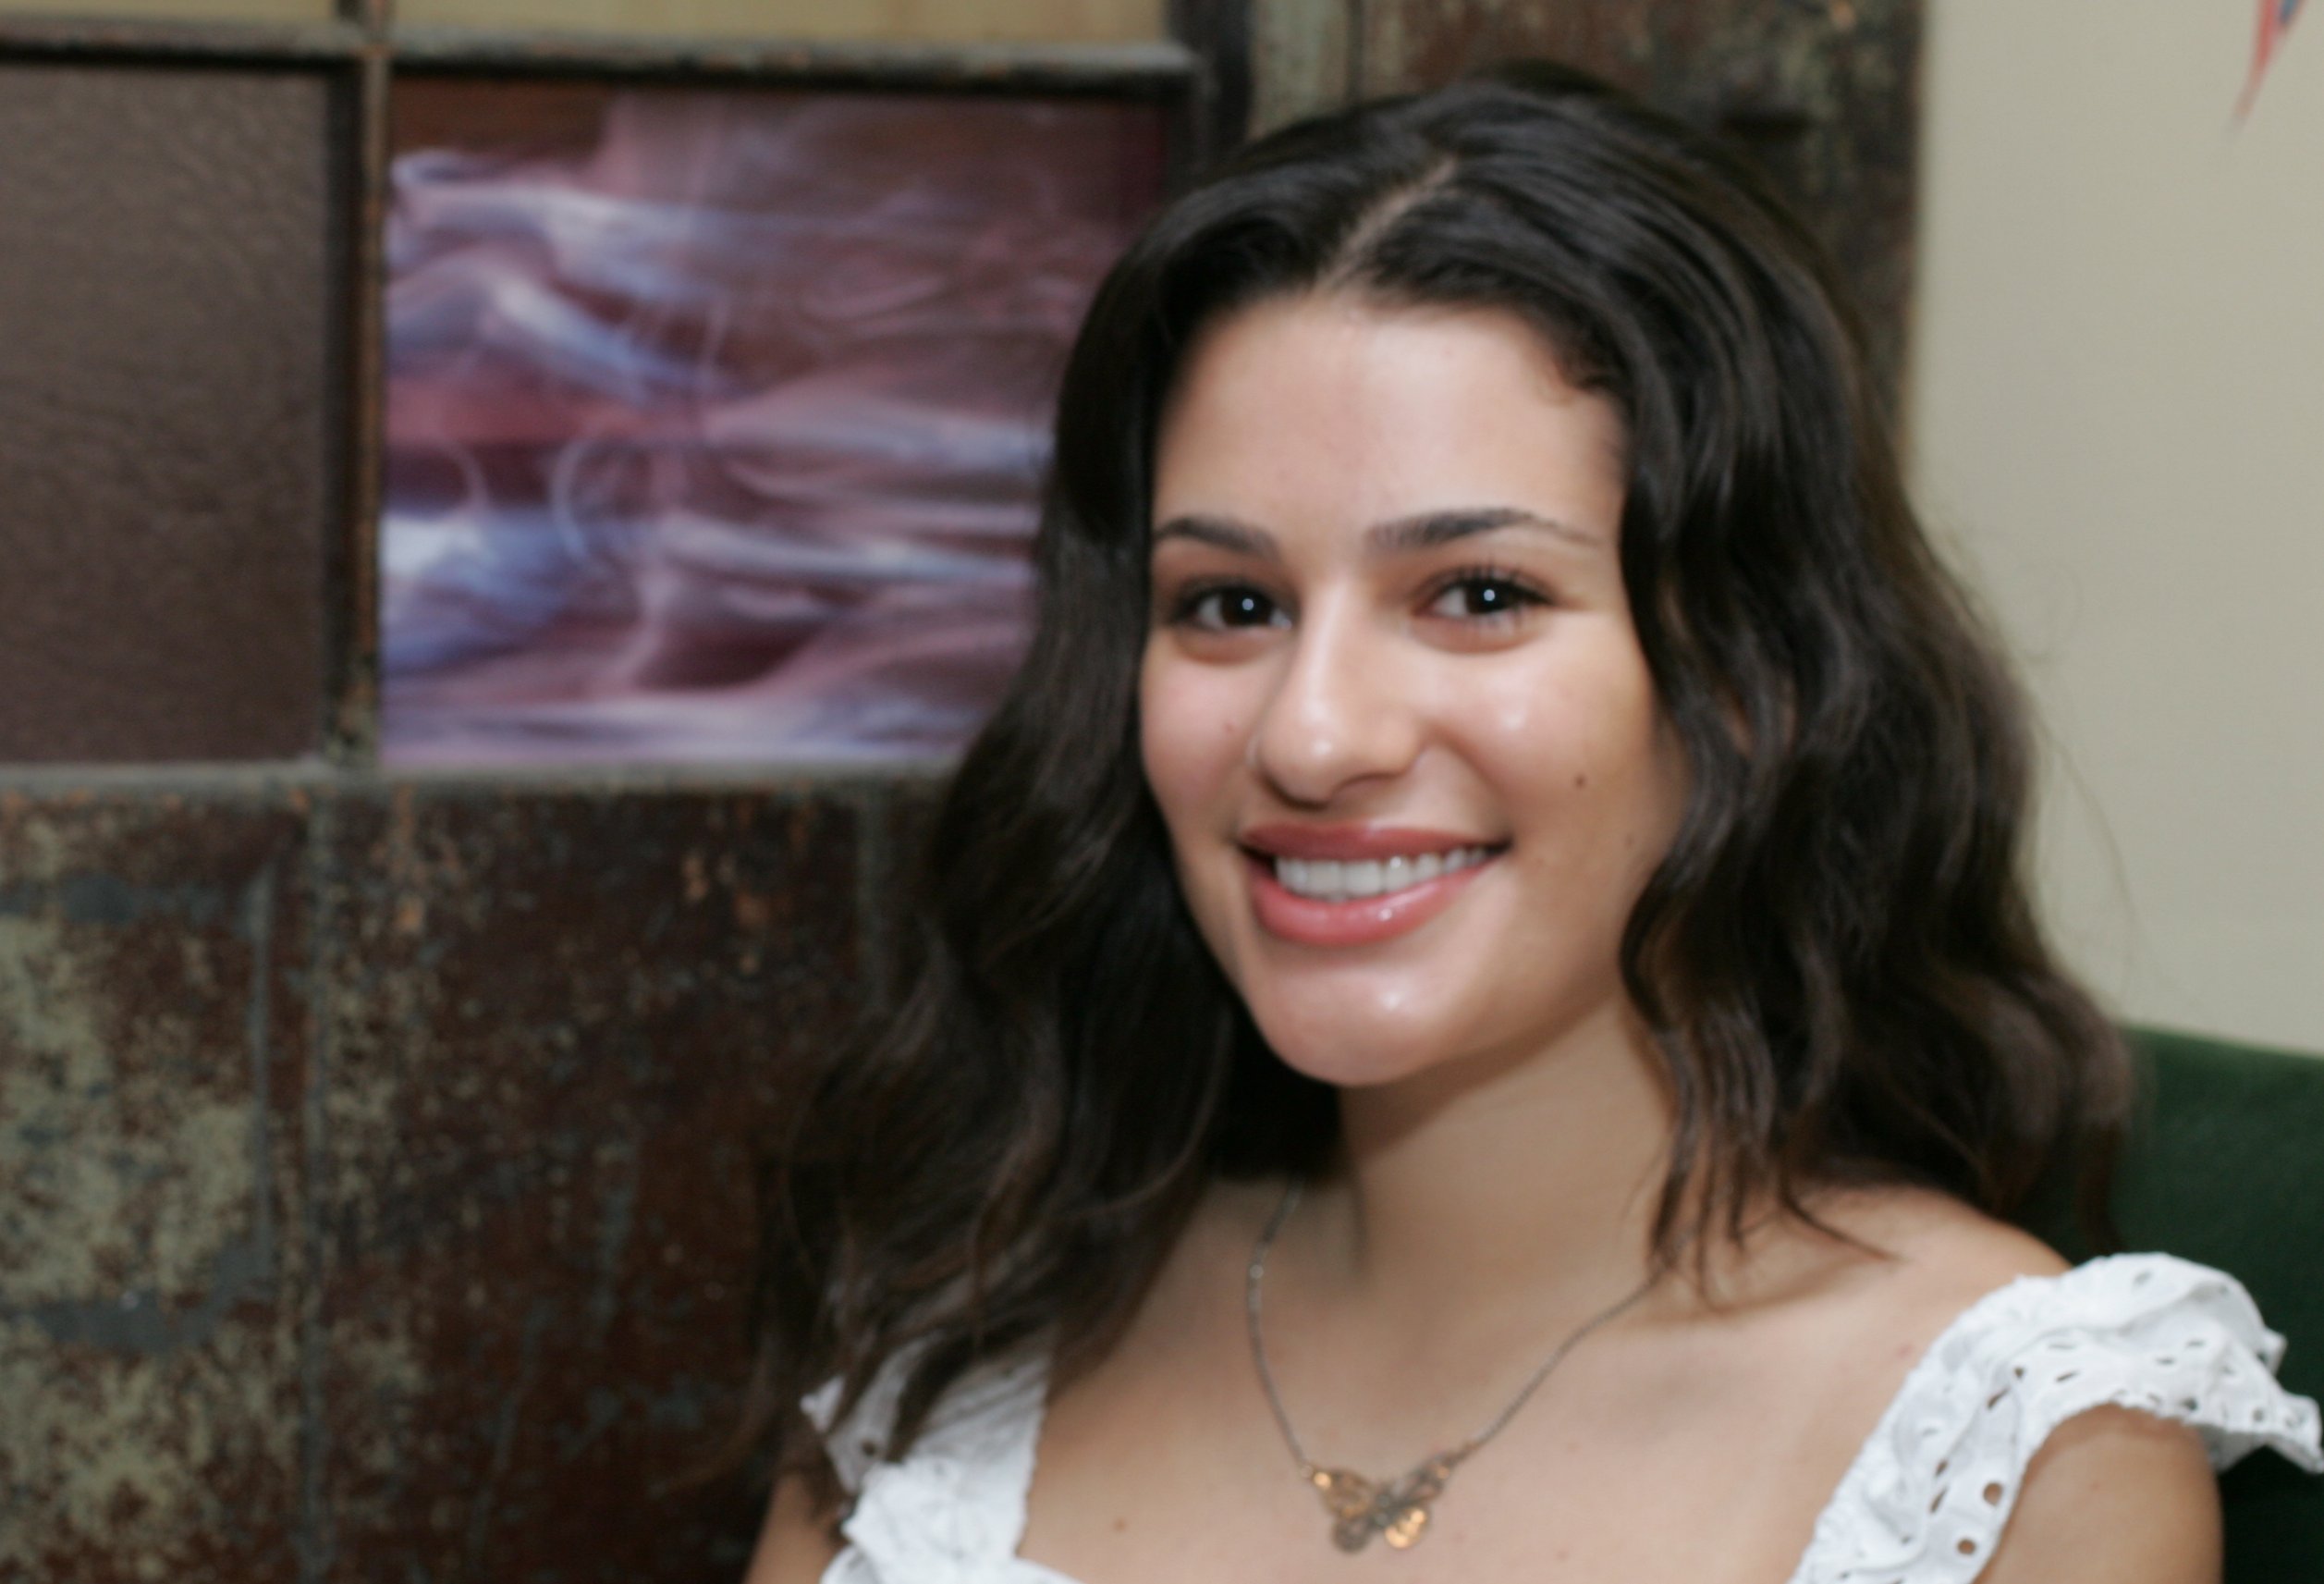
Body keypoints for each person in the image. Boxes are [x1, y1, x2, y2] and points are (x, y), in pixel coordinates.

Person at [739, 63, 2321, 1583]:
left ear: (1753, 674)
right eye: (1229, 602)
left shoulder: (2003, 1453)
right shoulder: (977, 1325)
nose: (1310, 736)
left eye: (1478, 594)